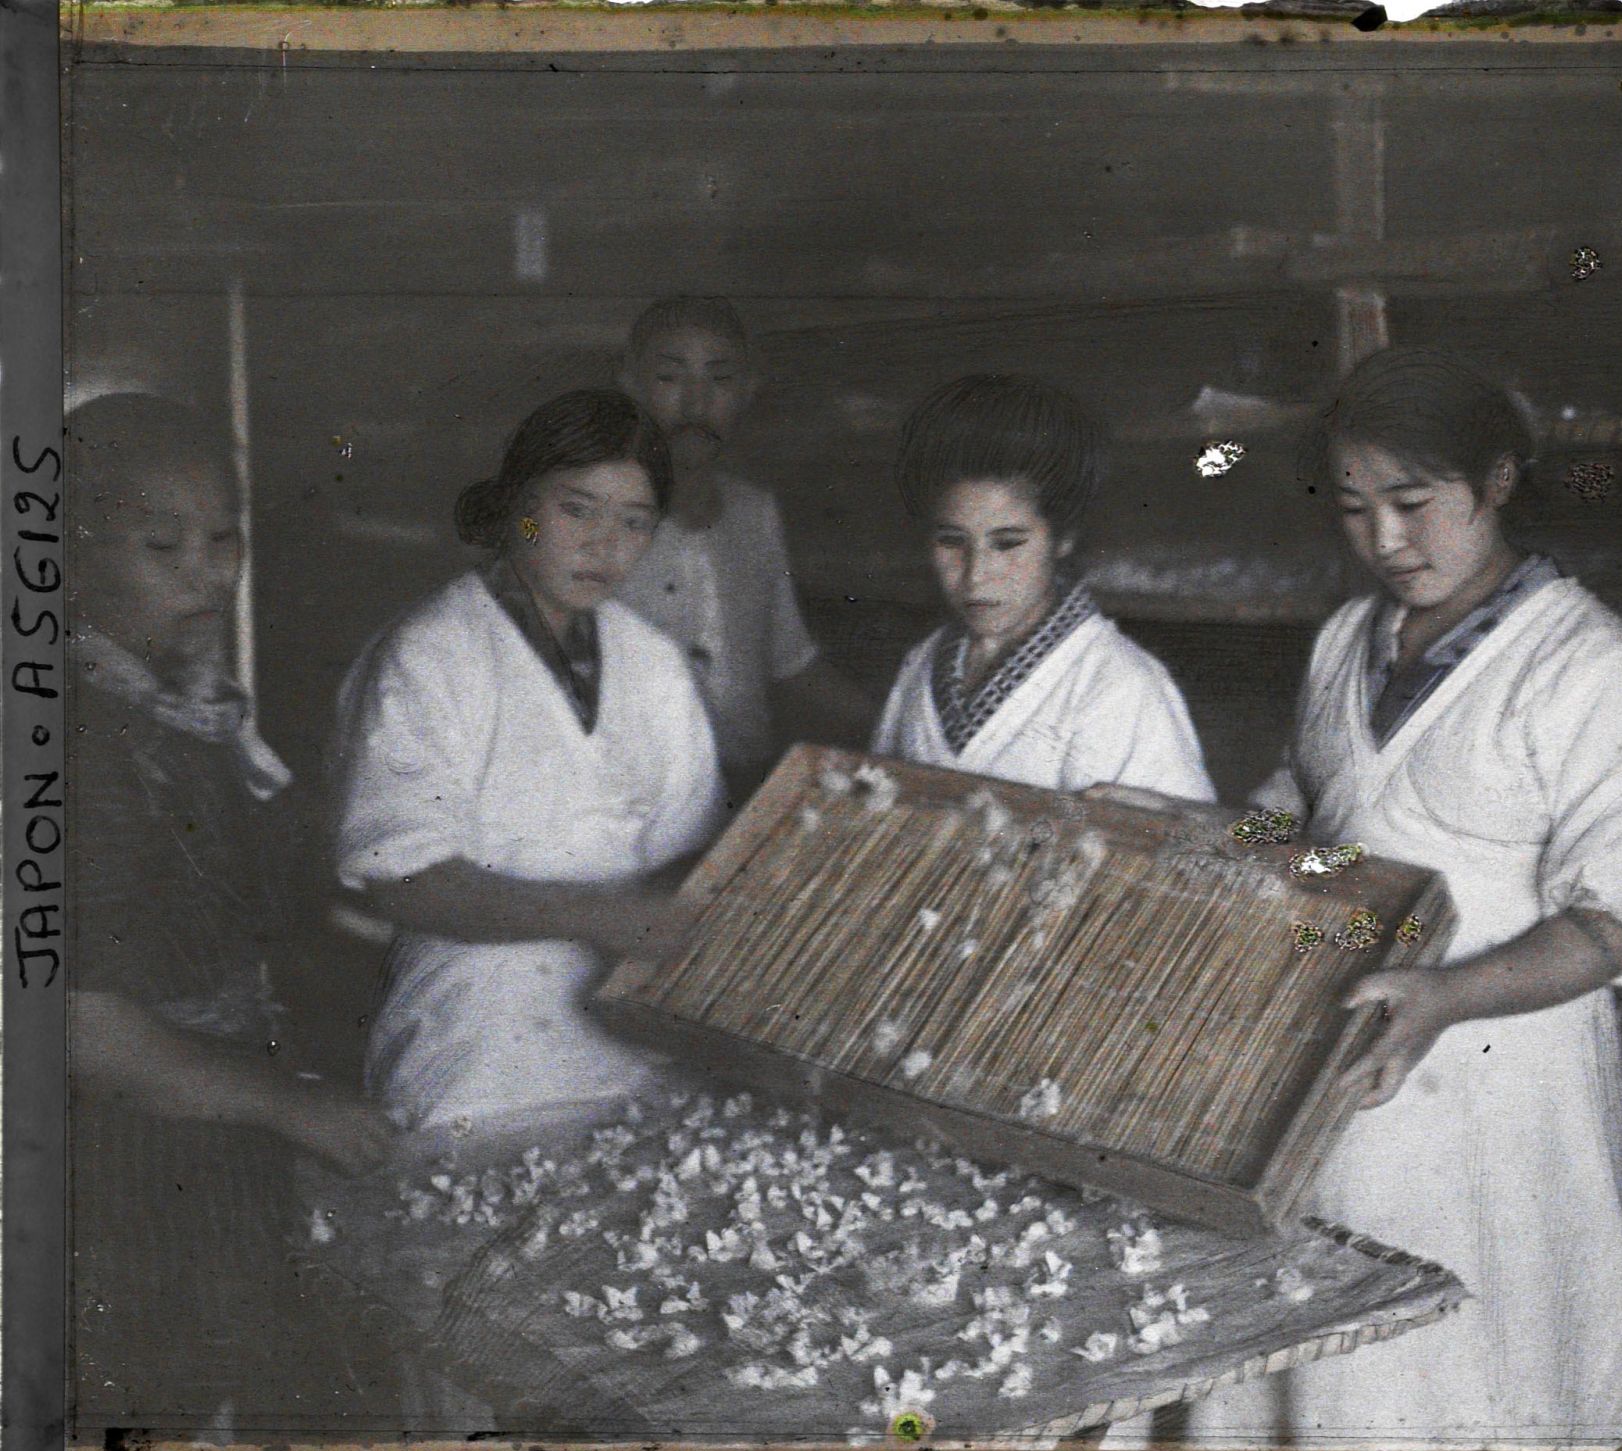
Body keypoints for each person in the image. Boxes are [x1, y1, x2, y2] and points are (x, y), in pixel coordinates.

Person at [1176, 347, 1622, 1448]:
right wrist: (1234, 838)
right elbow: (1311, 810)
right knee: (1328, 1370)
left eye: (1414, 504)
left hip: (1502, 1086)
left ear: (1497, 480)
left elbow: (1615, 920)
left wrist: (1448, 995)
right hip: (1352, 1042)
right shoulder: (1343, 641)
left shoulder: (1595, 670)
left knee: (1482, 1357)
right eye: (1357, 508)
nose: (1384, 541)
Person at [68, 393, 400, 1433]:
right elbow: (84, 1028)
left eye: (225, 539)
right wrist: (290, 1104)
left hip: (213, 1139)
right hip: (125, 1161)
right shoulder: (74, 747)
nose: (209, 574)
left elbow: (240, 897)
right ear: (68, 550)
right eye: (163, 545)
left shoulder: (177, 705)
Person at [334, 388, 728, 1139]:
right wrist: (606, 916)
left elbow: (693, 853)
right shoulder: (430, 654)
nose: (604, 545)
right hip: (476, 1065)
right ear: (518, 503)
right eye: (578, 509)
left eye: (634, 522)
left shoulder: (653, 664)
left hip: (636, 1063)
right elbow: (403, 878)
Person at [871, 372, 1214, 802]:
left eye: (1008, 543)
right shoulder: (924, 662)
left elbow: (1176, 850)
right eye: (951, 541)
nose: (976, 575)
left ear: (1063, 538)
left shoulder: (1119, 685)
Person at [616, 296, 876, 801]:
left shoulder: (754, 514)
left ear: (747, 392)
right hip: (635, 797)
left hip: (744, 787)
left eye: (720, 380)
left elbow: (791, 663)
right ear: (630, 385)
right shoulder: (591, 520)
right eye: (670, 378)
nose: (696, 405)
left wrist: (898, 723)